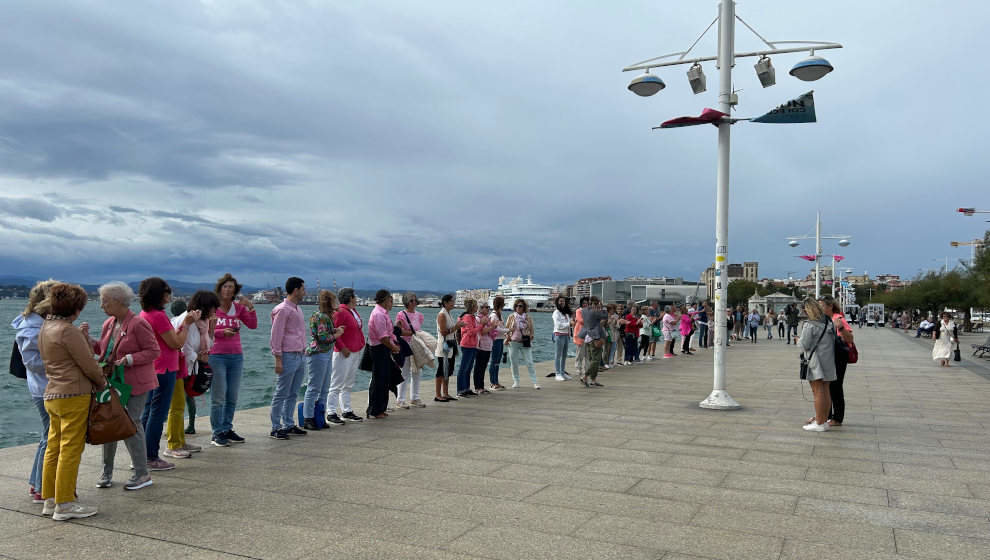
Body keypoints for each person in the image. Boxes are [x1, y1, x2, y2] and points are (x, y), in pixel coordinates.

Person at [37, 282, 107, 520]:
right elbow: (88, 363)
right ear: (76, 308)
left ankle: (50, 498)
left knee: (53, 447)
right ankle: (65, 503)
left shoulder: (46, 327)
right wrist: (102, 383)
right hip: (73, 394)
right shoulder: (68, 330)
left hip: (52, 393)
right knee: (70, 448)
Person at [91, 282, 161, 489]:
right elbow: (103, 351)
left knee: (132, 423)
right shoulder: (109, 323)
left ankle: (142, 474)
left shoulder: (138, 324)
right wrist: (86, 339)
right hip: (114, 382)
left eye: (105, 302)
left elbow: (154, 351)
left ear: (118, 302)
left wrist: (129, 359)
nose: (101, 306)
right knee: (109, 422)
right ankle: (107, 472)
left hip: (136, 383)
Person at [139, 277, 196, 471]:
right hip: (165, 368)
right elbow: (176, 343)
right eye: (167, 292)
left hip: (152, 368)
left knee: (148, 412)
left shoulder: (144, 314)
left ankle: (142, 454)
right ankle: (151, 456)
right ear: (160, 295)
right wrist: (187, 325)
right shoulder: (158, 316)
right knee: (158, 413)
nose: (169, 296)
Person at [12, 280, 58, 503]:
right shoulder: (31, 327)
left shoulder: (33, 322)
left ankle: (36, 483)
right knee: (51, 438)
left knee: (46, 437)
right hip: (45, 388)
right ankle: (42, 486)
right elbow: (32, 361)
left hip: (42, 386)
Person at [209, 273, 258, 447]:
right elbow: (204, 330)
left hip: (236, 356)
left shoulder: (239, 308)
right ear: (220, 289)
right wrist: (222, 333)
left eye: (231, 287)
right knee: (218, 397)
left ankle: (227, 428)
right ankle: (217, 432)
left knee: (232, 396)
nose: (228, 290)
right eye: (225, 286)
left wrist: (250, 308)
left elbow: (253, 325)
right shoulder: (212, 308)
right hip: (216, 355)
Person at [166, 291, 216, 456]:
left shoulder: (202, 322)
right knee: (176, 406)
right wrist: (197, 357)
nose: (214, 311)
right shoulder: (188, 320)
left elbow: (206, 344)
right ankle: (173, 445)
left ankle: (180, 441)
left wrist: (211, 332)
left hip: (187, 367)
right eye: (213, 307)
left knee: (180, 405)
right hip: (177, 366)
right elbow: (183, 345)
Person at [268, 277, 308, 439]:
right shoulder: (283, 309)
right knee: (281, 392)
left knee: (293, 392)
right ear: (296, 290)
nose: (305, 292)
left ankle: (288, 423)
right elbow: (276, 335)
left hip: (299, 355)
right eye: (303, 289)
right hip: (288, 355)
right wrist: (278, 358)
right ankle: (276, 427)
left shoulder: (297, 309)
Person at [301, 290, 344, 429]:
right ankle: (308, 418)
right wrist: (337, 334)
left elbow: (324, 332)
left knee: (324, 387)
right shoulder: (320, 316)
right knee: (314, 387)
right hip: (318, 353)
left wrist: (335, 330)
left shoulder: (325, 316)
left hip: (325, 353)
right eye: (333, 300)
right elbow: (322, 337)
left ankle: (319, 416)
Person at [327, 288, 366, 424]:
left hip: (354, 351)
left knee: (348, 383)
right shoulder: (341, 312)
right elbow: (334, 331)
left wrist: (360, 343)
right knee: (337, 382)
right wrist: (342, 348)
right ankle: (331, 412)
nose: (356, 298)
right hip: (344, 352)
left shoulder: (351, 311)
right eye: (354, 296)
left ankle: (346, 410)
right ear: (350, 298)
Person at [798, 298, 836, 432]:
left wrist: (798, 340)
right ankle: (824, 420)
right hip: (828, 360)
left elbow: (804, 345)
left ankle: (819, 423)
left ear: (807, 310)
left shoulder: (810, 325)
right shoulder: (828, 322)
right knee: (826, 391)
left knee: (817, 391)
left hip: (816, 361)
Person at [820, 296, 854, 427]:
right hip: (828, 357)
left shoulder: (838, 319)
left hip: (838, 357)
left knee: (835, 387)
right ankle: (824, 416)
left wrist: (841, 329)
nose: (820, 308)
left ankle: (837, 418)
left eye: (822, 305)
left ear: (829, 306)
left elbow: (850, 339)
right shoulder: (825, 320)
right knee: (826, 387)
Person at [367, 290, 401, 418]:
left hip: (384, 348)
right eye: (391, 301)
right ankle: (375, 410)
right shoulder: (378, 314)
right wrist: (393, 347)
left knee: (385, 379)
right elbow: (382, 337)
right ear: (385, 300)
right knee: (379, 379)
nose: (392, 303)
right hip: (379, 348)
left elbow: (389, 333)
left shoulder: (383, 313)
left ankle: (381, 407)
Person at [394, 292, 425, 408]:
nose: (414, 302)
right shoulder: (401, 315)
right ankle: (400, 399)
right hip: (405, 345)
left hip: (416, 345)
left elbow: (418, 330)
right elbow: (398, 331)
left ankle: (415, 397)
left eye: (415, 300)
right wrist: (411, 333)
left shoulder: (419, 315)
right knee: (404, 372)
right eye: (411, 300)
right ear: (406, 302)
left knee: (417, 371)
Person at [505, 299, 540, 389]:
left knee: (529, 362)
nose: (518, 307)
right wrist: (507, 337)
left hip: (525, 342)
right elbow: (506, 329)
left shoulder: (527, 317)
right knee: (514, 363)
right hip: (513, 342)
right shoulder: (511, 316)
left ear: (524, 307)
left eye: (520, 306)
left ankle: (535, 382)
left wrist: (531, 336)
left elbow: (532, 330)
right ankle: (516, 381)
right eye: (516, 306)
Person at [433, 294, 462, 402]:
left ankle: (445, 393)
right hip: (444, 345)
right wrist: (456, 327)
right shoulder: (442, 315)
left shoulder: (448, 314)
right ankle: (438, 394)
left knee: (448, 370)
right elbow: (443, 332)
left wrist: (456, 327)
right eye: (452, 301)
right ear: (445, 303)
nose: (453, 303)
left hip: (451, 344)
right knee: (441, 370)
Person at [578, 297, 608, 387]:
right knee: (596, 360)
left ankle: (593, 380)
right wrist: (602, 307)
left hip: (587, 336)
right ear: (595, 303)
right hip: (595, 337)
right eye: (597, 303)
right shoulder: (594, 312)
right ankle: (585, 376)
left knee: (592, 360)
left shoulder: (584, 310)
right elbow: (605, 315)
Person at [455, 298, 481, 398]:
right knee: (463, 368)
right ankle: (460, 390)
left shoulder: (472, 317)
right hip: (467, 345)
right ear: (472, 307)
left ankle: (466, 388)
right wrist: (481, 324)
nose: (477, 307)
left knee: (468, 368)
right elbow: (470, 332)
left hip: (473, 345)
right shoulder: (467, 317)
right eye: (476, 305)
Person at [472, 302, 495, 394]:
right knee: (479, 367)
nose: (487, 309)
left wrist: (493, 327)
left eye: (488, 307)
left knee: (483, 366)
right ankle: (477, 387)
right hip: (481, 345)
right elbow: (482, 332)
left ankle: (481, 386)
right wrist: (492, 327)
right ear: (480, 308)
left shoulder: (487, 319)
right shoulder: (478, 318)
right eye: (485, 307)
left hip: (488, 345)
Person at [488, 296, 507, 390]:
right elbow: (496, 328)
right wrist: (508, 330)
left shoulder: (499, 314)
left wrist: (506, 332)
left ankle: (496, 381)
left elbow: (501, 327)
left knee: (497, 362)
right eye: (503, 303)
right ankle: (492, 382)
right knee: (494, 361)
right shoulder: (493, 315)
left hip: (500, 339)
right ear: (500, 304)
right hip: (495, 340)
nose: (504, 304)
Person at [551, 296, 572, 381]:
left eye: (563, 301)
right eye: (560, 301)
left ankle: (562, 372)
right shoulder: (556, 313)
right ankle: (557, 373)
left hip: (566, 335)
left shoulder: (566, 313)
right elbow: (558, 325)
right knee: (558, 355)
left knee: (564, 355)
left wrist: (570, 333)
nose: (562, 302)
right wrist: (569, 324)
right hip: (559, 335)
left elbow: (568, 325)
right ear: (557, 302)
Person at [572, 297, 589, 376]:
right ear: (581, 303)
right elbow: (580, 320)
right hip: (580, 334)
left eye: (586, 303)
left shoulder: (589, 310)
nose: (585, 304)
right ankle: (578, 368)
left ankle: (587, 368)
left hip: (588, 335)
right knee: (580, 353)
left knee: (587, 353)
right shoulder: (578, 311)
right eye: (584, 303)